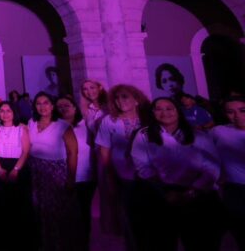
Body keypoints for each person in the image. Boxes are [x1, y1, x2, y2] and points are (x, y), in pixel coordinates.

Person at [131, 97, 222, 250]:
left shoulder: (198, 135)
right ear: (153, 113)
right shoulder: (144, 135)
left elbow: (212, 168)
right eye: (158, 109)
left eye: (169, 108)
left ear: (178, 111)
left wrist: (191, 192)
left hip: (198, 195)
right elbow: (142, 165)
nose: (164, 112)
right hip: (162, 194)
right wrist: (164, 191)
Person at [95, 84, 151, 248]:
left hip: (151, 176)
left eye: (125, 97)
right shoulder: (109, 121)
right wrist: (110, 177)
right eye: (117, 98)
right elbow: (105, 150)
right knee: (129, 219)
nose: (120, 101)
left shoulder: (148, 119)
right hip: (123, 176)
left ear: (136, 100)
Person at [28, 91, 80, 251]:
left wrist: (71, 179)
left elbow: (73, 152)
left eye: (46, 103)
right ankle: (44, 243)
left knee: (56, 211)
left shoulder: (62, 126)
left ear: (52, 106)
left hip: (55, 172)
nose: (42, 107)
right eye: (38, 103)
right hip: (35, 171)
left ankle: (59, 244)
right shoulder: (31, 122)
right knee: (39, 209)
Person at [0, 101, 33, 250]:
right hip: (0, 166)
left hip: (18, 165)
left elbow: (26, 151)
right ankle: (2, 238)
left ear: (14, 113)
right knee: (1, 202)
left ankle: (19, 238)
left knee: (18, 202)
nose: (5, 114)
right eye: (2, 111)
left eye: (8, 111)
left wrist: (16, 169)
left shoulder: (21, 129)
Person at [56, 94, 95, 251]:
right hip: (61, 177)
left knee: (83, 213)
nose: (63, 109)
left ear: (74, 107)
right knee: (65, 216)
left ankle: (83, 244)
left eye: (66, 105)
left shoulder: (86, 125)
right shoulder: (54, 127)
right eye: (59, 107)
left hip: (85, 176)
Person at [211, 97, 245, 249]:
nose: (237, 116)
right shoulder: (219, 131)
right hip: (234, 188)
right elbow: (204, 153)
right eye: (231, 112)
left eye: (243, 110)